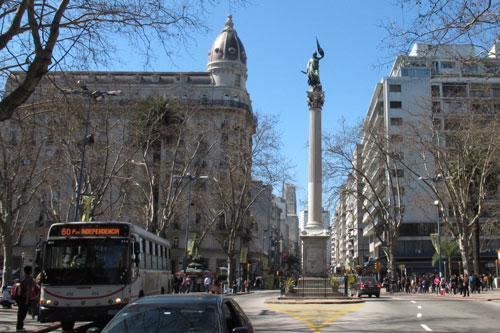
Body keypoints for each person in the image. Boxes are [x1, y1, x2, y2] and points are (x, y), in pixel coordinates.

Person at [16, 266, 37, 332]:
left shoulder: (21, 277)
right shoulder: (29, 279)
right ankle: (19, 328)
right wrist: (27, 301)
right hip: (25, 298)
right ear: (30, 271)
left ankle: (19, 327)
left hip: (19, 297)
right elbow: (28, 290)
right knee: (23, 313)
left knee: (20, 313)